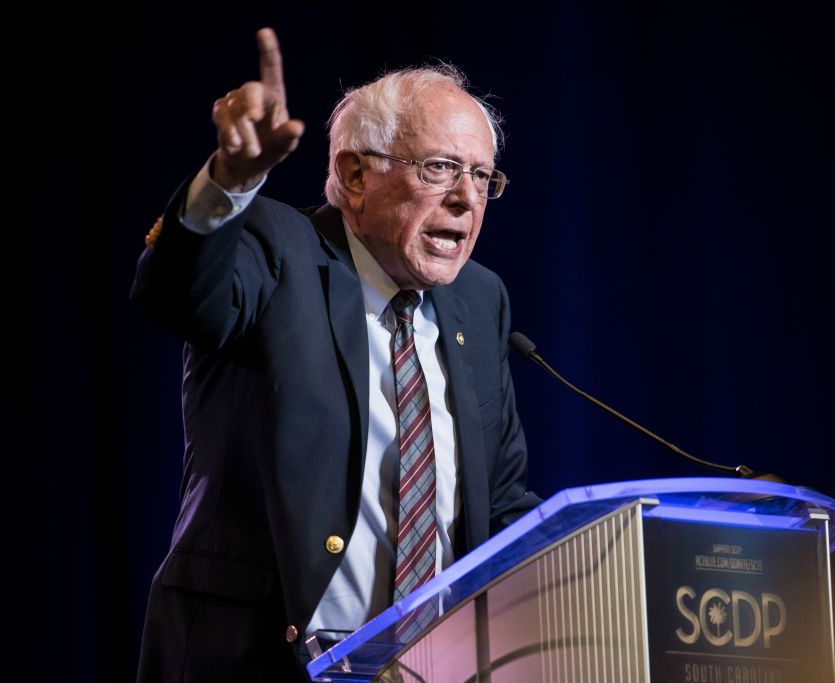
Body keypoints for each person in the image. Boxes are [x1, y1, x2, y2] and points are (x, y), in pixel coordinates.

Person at [131, 27, 540, 682]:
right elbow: (174, 296)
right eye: (439, 168)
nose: (466, 197)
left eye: (481, 175)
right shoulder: (276, 245)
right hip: (253, 657)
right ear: (355, 173)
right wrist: (230, 182)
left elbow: (502, 504)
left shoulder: (478, 300)